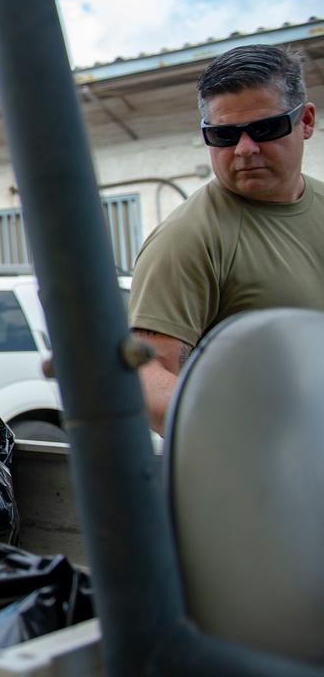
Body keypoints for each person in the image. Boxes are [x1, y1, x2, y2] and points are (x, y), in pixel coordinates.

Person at [129, 44, 321, 434]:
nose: (245, 149)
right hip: (266, 482)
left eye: (265, 128)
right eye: (224, 135)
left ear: (305, 121)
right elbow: (145, 373)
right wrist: (243, 439)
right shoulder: (190, 237)